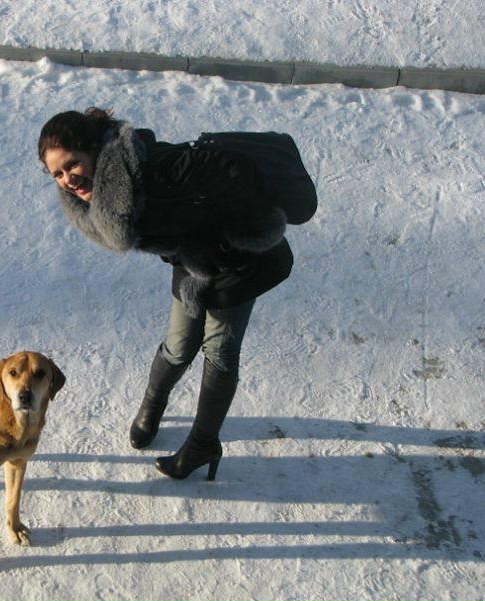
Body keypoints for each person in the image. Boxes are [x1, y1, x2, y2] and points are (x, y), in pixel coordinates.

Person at [38, 107, 316, 481]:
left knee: (219, 350)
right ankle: (153, 405)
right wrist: (190, 243)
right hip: (192, 261)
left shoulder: (158, 169)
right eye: (57, 174)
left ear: (93, 151)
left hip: (238, 260)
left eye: (72, 164)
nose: (68, 179)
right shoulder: (105, 198)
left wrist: (232, 233)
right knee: (178, 344)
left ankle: (203, 444)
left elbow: (235, 170)